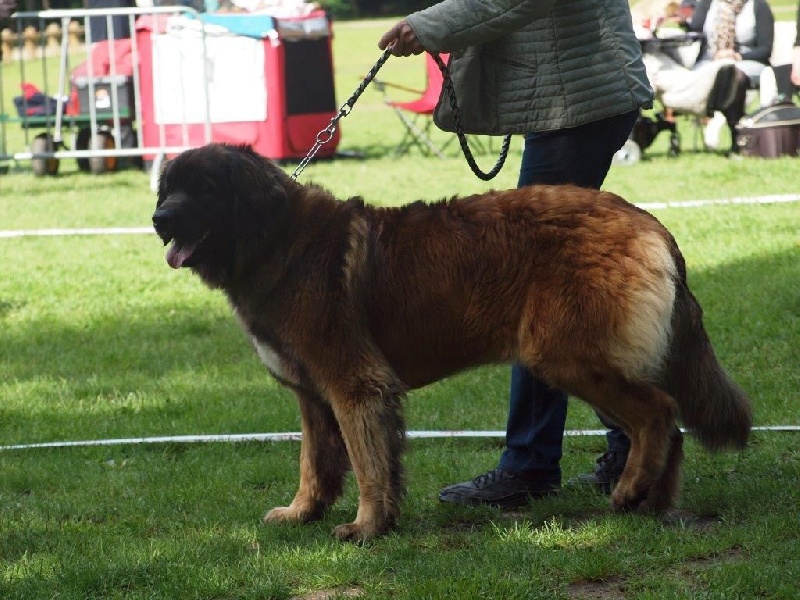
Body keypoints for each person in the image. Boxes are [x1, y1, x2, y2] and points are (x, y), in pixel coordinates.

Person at [378, 0, 653, 509]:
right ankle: (624, 444)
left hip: (579, 102)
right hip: (568, 99)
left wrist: (426, 26)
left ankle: (531, 463)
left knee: (533, 291)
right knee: (559, 292)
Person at [688, 0, 775, 148]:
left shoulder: (758, 5)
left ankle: (735, 133)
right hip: (710, 62)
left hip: (747, 62)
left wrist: (736, 56)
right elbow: (692, 31)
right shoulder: (708, 3)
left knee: (732, 75)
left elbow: (765, 49)